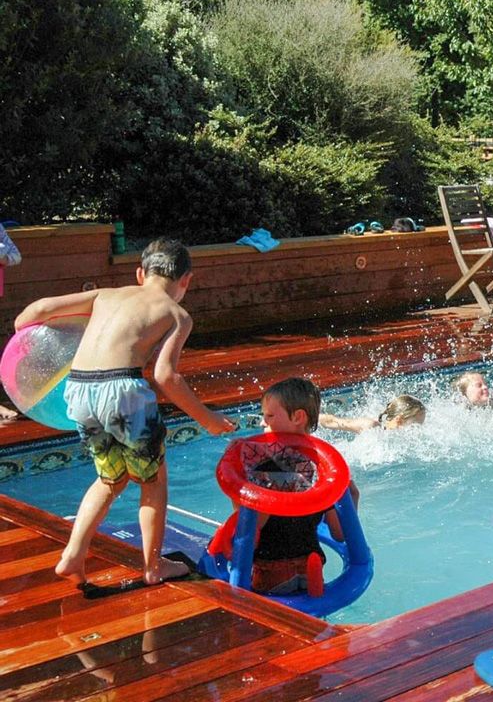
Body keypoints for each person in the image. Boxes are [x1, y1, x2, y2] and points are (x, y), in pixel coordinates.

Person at [13, 238, 236, 586]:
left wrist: (23, 336)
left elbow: (37, 311)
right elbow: (166, 376)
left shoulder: (106, 294)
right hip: (123, 391)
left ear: (139, 274)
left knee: (111, 478)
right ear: (186, 280)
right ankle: (152, 567)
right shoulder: (178, 314)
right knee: (154, 480)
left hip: (79, 391)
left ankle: (73, 554)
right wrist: (207, 419)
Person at [250, 378, 357, 596]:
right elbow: (339, 534)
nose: (263, 422)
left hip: (270, 569)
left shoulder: (266, 466)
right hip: (311, 566)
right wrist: (353, 495)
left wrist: (245, 492)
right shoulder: (321, 468)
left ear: (298, 417)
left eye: (269, 416)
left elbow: (252, 528)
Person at [319, 394, 426, 433]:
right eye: (415, 426)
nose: (418, 431)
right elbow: (333, 421)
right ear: (399, 420)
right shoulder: (372, 427)